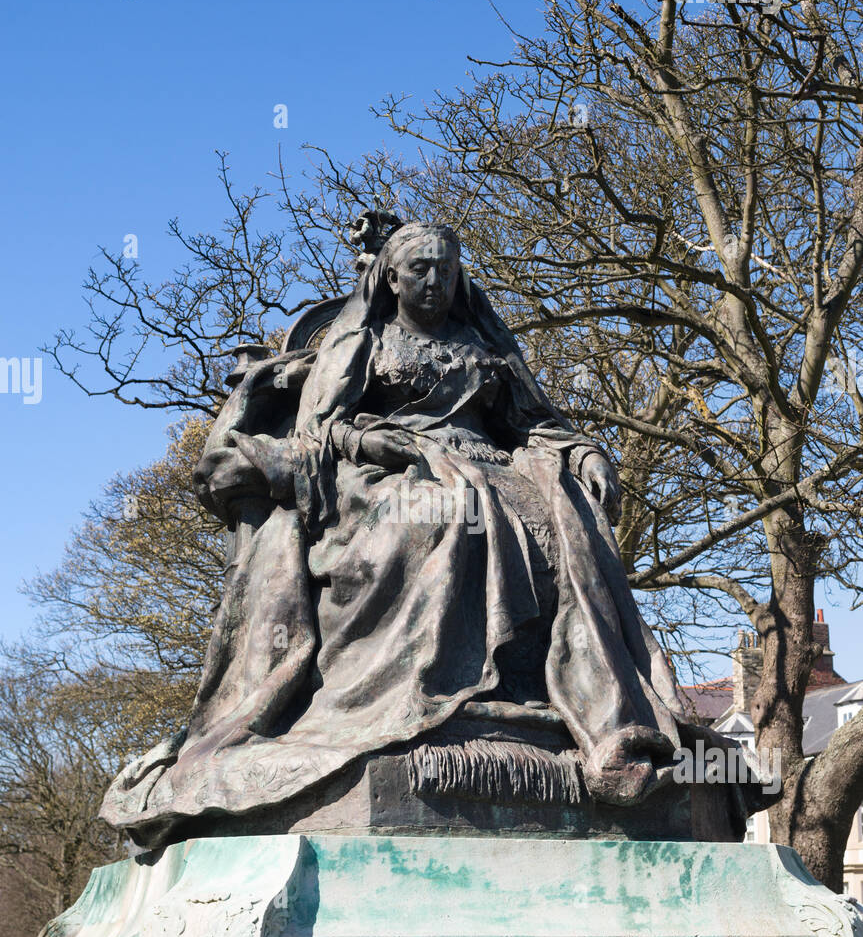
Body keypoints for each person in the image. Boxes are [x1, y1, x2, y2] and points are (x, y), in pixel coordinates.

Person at [101, 221, 751, 845]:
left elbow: (534, 422)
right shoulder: (360, 342)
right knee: (440, 514)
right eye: (420, 269)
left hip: (494, 464)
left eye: (446, 268)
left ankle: (552, 699)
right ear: (391, 278)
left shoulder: (484, 347)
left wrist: (583, 455)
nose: (435, 281)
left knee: (561, 518)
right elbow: (319, 427)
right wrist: (371, 437)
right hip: (385, 468)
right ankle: (435, 688)